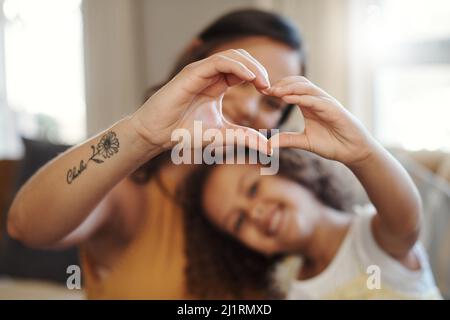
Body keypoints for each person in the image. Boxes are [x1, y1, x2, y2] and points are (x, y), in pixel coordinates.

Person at [7, 9, 307, 299]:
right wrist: (140, 134)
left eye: (272, 105)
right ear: (195, 58)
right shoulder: (130, 190)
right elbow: (26, 226)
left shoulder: (276, 202)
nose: (249, 108)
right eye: (239, 79)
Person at [182, 76, 443, 299]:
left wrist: (362, 154)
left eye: (252, 189)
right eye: (238, 221)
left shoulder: (371, 240)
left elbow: (406, 221)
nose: (255, 213)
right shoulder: (292, 291)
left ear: (290, 169)